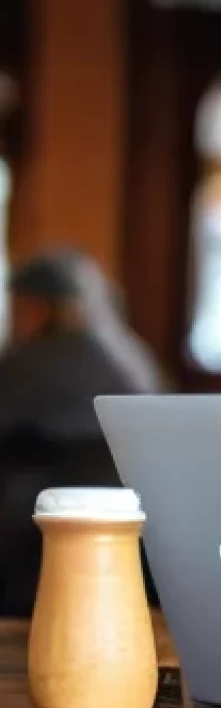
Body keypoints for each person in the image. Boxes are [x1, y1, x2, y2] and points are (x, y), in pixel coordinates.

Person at [0, 247, 163, 615]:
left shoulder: (41, 356)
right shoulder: (127, 349)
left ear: (44, 305)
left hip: (51, 518)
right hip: (130, 516)